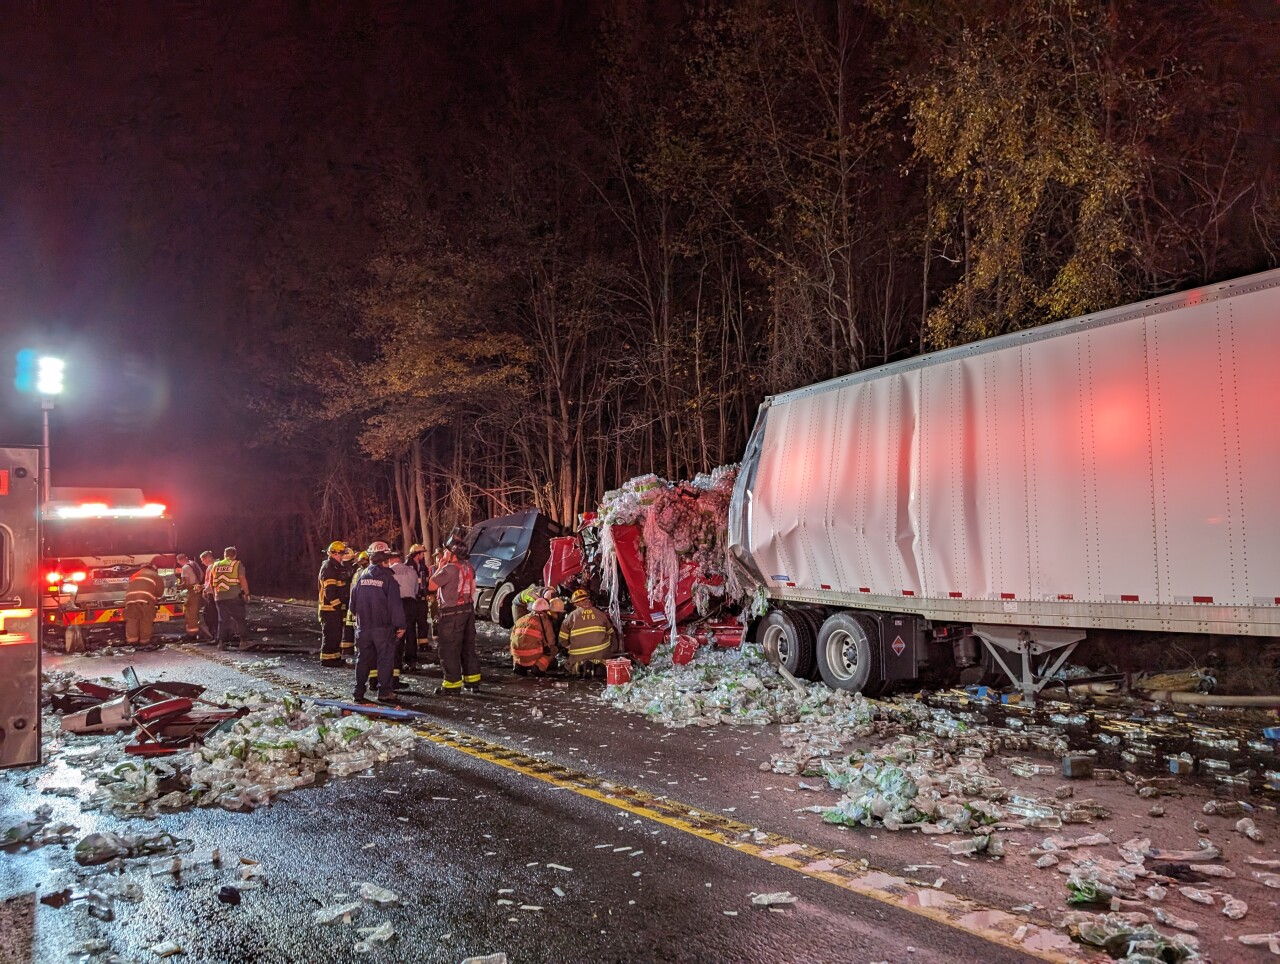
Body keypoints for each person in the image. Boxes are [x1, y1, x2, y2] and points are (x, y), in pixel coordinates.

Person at [348, 541, 405, 705]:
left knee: (363, 659)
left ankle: (358, 692)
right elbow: (395, 606)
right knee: (385, 659)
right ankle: (384, 692)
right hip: (383, 628)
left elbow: (352, 605)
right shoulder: (389, 580)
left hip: (363, 628)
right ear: (385, 559)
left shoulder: (361, 577)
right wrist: (401, 625)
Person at [427, 539, 479, 695]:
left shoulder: (448, 569)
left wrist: (440, 565)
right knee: (467, 647)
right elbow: (473, 588)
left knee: (449, 649)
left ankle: (452, 685)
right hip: (468, 610)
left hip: (451, 613)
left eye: (447, 551)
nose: (444, 553)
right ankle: (472, 681)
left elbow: (431, 585)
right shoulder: (469, 567)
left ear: (453, 553)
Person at [557, 588, 617, 677]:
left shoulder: (570, 618)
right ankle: (601, 664)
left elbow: (562, 640)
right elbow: (611, 633)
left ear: (576, 603)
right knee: (604, 655)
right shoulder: (600, 614)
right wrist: (611, 649)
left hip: (579, 655)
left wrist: (571, 647)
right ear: (588, 600)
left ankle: (578, 667)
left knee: (569, 665)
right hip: (601, 652)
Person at [317, 540, 353, 668]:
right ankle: (327, 660)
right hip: (329, 609)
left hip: (333, 609)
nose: (343, 556)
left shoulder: (335, 567)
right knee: (331, 635)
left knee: (336, 635)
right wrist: (338, 606)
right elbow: (330, 591)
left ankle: (335, 658)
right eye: (342, 553)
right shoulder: (328, 567)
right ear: (335, 553)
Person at [208, 546, 250, 650]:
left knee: (223, 620)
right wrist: (247, 593)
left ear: (224, 555)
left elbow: (211, 582)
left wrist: (215, 595)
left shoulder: (215, 565)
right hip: (233, 596)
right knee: (240, 619)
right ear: (235, 555)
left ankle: (221, 643)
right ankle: (244, 642)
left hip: (219, 597)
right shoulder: (237, 564)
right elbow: (242, 578)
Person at [389, 550, 421, 677]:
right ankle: (411, 661)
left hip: (397, 603)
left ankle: (397, 662)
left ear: (391, 559)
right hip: (411, 603)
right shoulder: (411, 571)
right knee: (411, 631)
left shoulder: (389, 571)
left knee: (397, 632)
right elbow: (416, 589)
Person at [510, 597, 557, 675]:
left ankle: (518, 665)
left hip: (517, 656)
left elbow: (512, 638)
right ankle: (538, 667)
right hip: (532, 656)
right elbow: (550, 641)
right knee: (553, 650)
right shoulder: (544, 621)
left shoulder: (521, 620)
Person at [124, 561, 165, 646]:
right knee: (146, 620)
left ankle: (132, 641)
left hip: (130, 600)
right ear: (153, 569)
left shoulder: (134, 575)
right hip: (146, 600)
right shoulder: (155, 575)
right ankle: (144, 641)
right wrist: (157, 598)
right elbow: (159, 591)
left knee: (132, 620)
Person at [177, 553, 203, 641]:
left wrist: (179, 586)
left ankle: (192, 635)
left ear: (179, 561)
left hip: (191, 591)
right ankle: (196, 633)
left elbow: (187, 583)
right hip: (198, 589)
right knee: (195, 613)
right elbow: (201, 575)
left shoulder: (185, 568)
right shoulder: (194, 564)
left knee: (190, 614)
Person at [197, 550, 218, 641]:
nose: (202, 562)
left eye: (203, 560)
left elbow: (210, 583)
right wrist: (203, 586)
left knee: (208, 615)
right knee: (217, 615)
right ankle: (218, 635)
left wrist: (204, 589)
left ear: (209, 558)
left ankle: (214, 635)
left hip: (211, 595)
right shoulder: (218, 565)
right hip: (219, 594)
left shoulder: (210, 567)